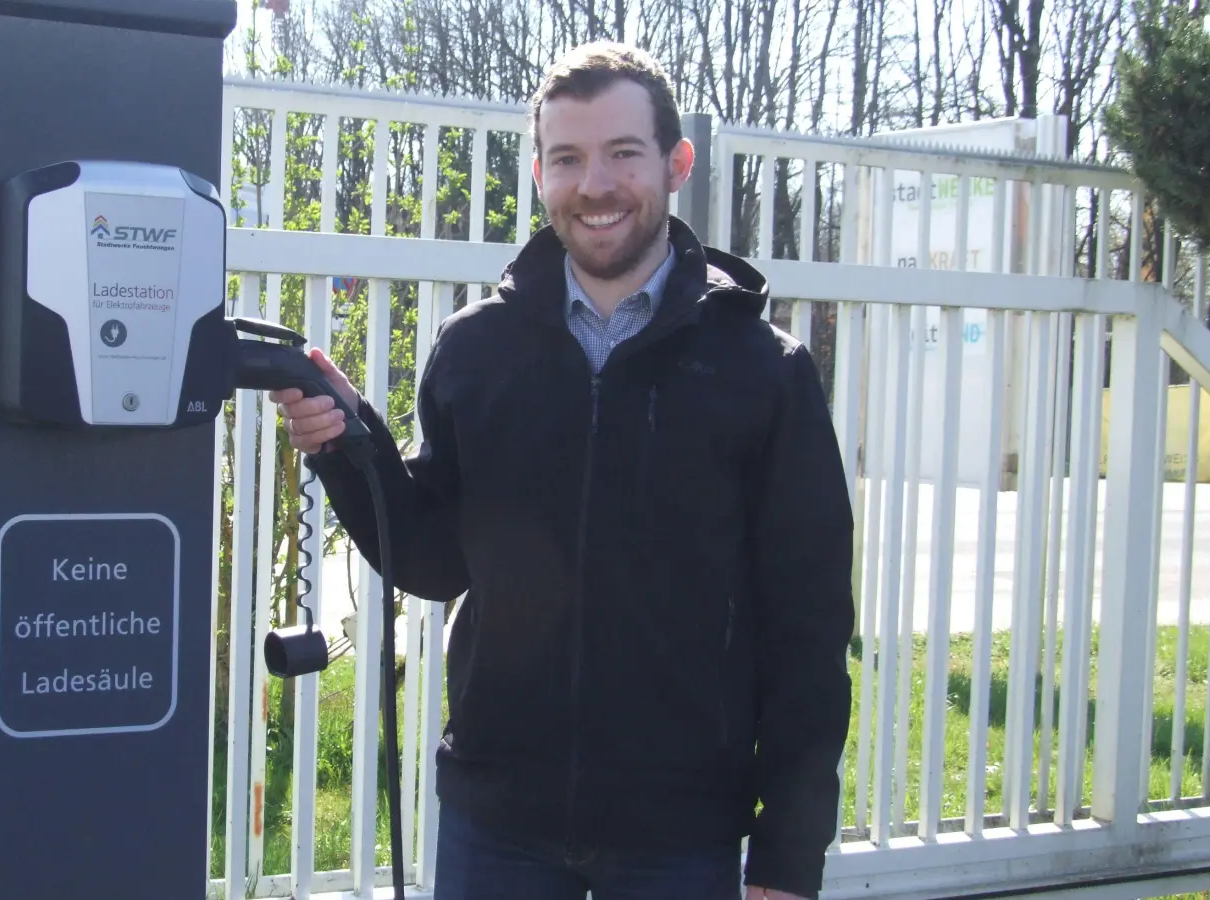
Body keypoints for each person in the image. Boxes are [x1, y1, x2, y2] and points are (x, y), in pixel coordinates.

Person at [274, 41, 855, 900]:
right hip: (496, 825)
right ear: (541, 172)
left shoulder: (763, 371)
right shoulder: (476, 349)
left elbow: (808, 628)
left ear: (676, 162)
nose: (596, 186)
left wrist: (789, 853)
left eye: (623, 153)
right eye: (568, 158)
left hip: (680, 836)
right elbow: (435, 560)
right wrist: (347, 444)